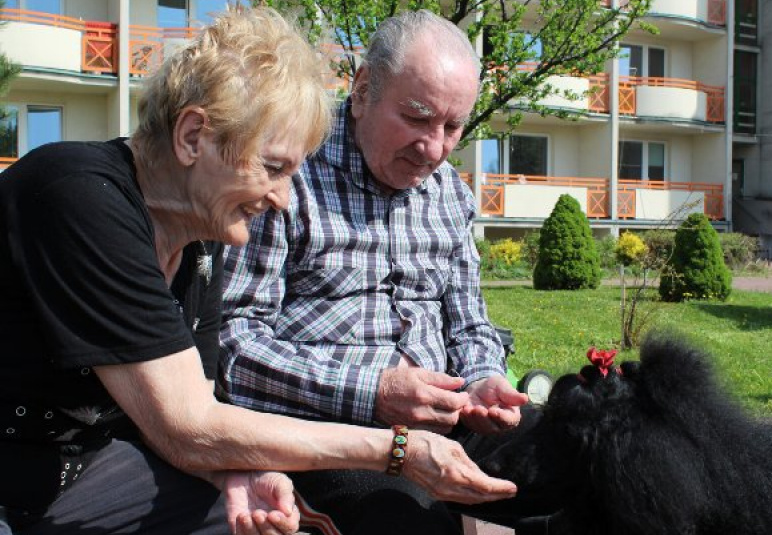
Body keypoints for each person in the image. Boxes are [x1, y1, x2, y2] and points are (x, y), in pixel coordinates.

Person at [0, 8, 517, 535]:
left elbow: (198, 409)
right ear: (192, 136)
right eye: (272, 168)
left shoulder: (201, 238)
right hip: (27, 480)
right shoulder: (77, 196)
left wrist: (240, 470)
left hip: (100, 460)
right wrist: (398, 448)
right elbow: (187, 426)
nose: (282, 198)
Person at [219, 10, 535, 535]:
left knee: (600, 457)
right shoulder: (288, 174)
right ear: (363, 90)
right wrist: (373, 390)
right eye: (416, 118)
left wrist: (483, 378)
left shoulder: (450, 193)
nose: (434, 149)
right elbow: (232, 343)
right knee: (412, 522)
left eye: (452, 127)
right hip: (327, 435)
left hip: (448, 420)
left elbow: (470, 322)